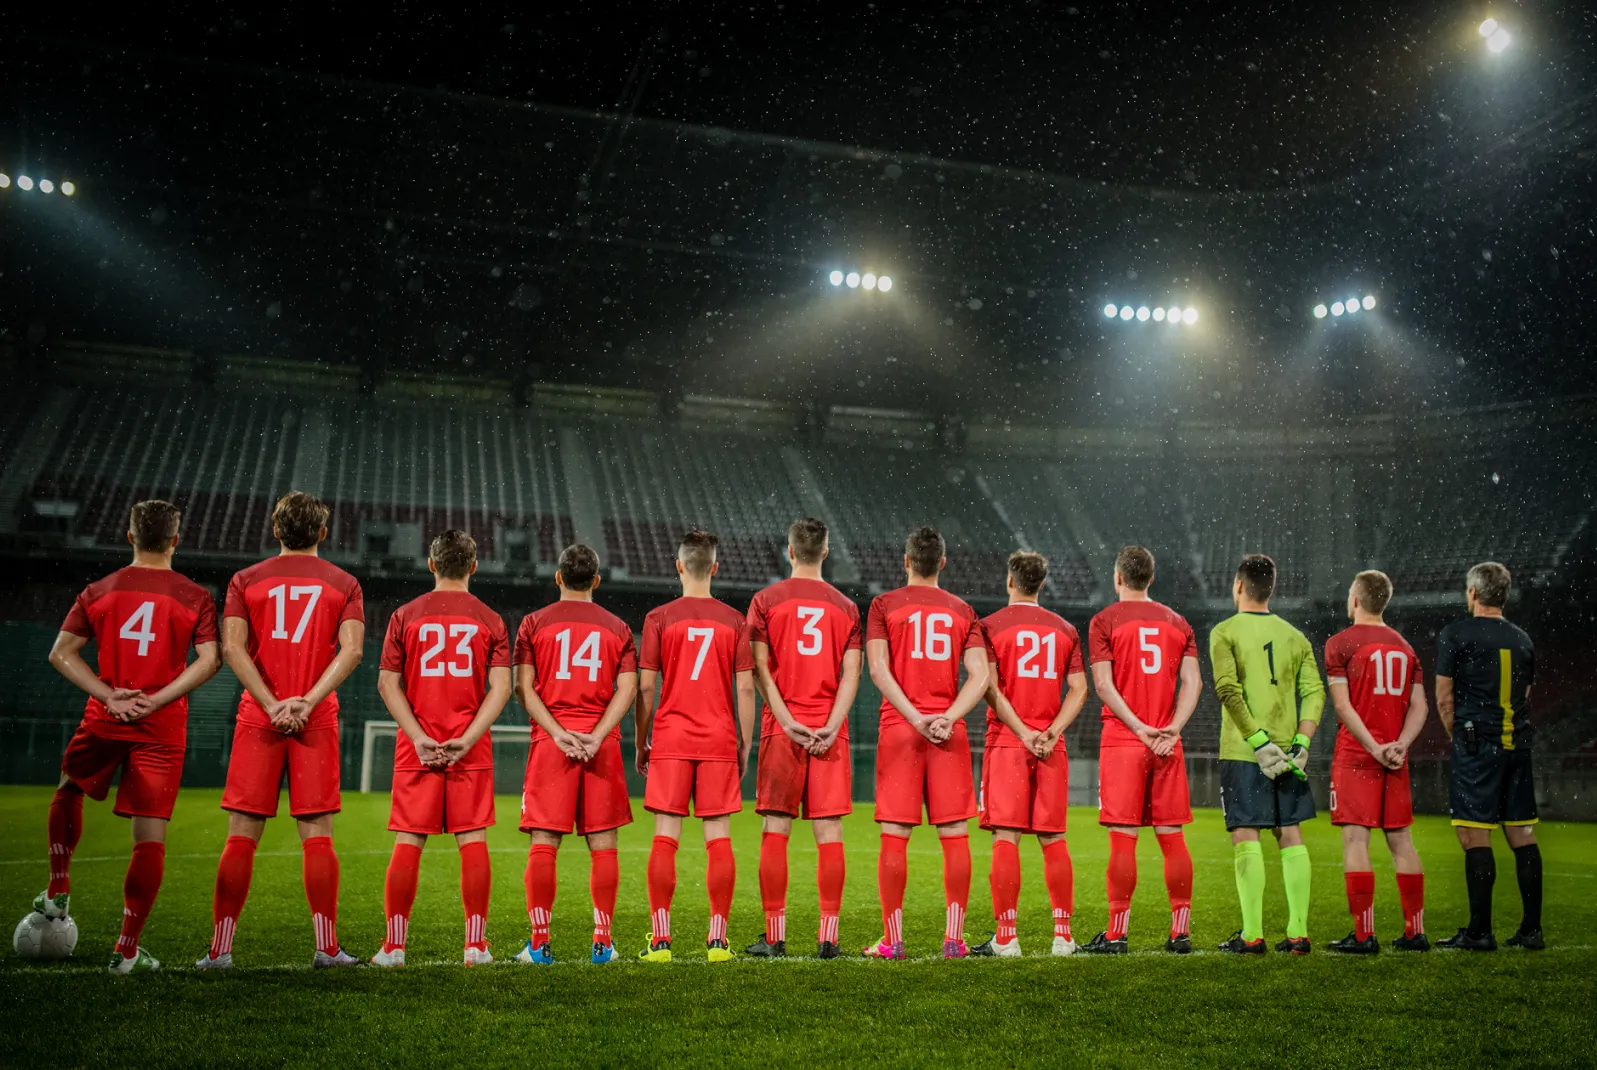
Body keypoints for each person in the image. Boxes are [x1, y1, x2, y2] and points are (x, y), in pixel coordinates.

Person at [38, 500, 220, 974]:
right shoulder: (194, 595)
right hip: (160, 725)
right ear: (176, 540)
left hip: (105, 716)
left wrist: (109, 695)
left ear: (129, 536)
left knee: (69, 788)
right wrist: (156, 700)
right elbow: (210, 661)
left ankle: (58, 887)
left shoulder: (99, 589)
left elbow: (61, 654)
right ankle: (126, 949)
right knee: (149, 839)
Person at [197, 491, 365, 969]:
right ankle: (327, 948)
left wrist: (271, 703)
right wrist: (307, 701)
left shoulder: (245, 580)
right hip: (316, 717)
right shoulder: (345, 583)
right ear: (323, 533)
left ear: (275, 531)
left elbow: (232, 649)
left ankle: (220, 950)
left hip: (258, 716)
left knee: (241, 836)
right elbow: (351, 652)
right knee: (317, 834)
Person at [371, 530, 511, 968]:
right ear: (473, 567)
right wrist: (467, 738)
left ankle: (394, 948)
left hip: (420, 744)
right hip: (468, 744)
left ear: (431, 565)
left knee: (409, 840)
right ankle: (475, 946)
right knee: (472, 840)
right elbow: (502, 687)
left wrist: (417, 736)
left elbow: (386, 683)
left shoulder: (405, 615)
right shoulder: (490, 618)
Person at [864, 525, 990, 960]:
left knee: (895, 834)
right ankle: (954, 940)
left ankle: (893, 941)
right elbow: (980, 675)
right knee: (954, 834)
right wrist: (948, 717)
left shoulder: (884, 605)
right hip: (946, 732)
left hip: (901, 727)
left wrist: (915, 718)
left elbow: (879, 671)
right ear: (942, 562)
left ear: (905, 561)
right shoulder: (963, 610)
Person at [634, 529, 756, 963]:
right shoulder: (735, 620)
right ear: (715, 568)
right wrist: (744, 743)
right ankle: (718, 942)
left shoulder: (658, 618)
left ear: (679, 566)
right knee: (718, 838)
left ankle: (661, 942)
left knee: (666, 837)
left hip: (670, 738)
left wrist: (640, 740)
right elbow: (745, 689)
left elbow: (646, 688)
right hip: (719, 738)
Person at [515, 543, 639, 965]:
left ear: (558, 577)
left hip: (552, 743)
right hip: (600, 746)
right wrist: (598, 735)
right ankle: (602, 944)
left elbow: (523, 689)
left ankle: (540, 944)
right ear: (597, 581)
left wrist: (557, 733)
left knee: (544, 843)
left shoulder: (533, 623)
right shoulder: (619, 628)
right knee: (603, 846)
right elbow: (628, 689)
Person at [744, 518, 862, 959]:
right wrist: (832, 723)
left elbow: (760, 669)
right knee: (829, 831)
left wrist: (785, 718)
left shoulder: (765, 601)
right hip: (830, 728)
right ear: (826, 553)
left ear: (789, 551)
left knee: (776, 829)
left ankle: (775, 938)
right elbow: (853, 673)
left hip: (783, 727)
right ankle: (828, 938)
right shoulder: (847, 607)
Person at [1081, 545, 1202, 955]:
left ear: (1118, 578)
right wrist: (1172, 728)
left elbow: (1103, 685)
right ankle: (1180, 932)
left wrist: (1139, 728)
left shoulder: (1104, 621)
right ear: (1151, 578)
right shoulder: (1177, 622)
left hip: (1124, 740)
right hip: (1168, 743)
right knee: (1172, 836)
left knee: (1123, 838)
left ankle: (1117, 934)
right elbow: (1194, 683)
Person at [970, 551, 1088, 958]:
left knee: (1006, 838)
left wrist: (1023, 732)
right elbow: (1079, 689)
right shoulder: (1066, 629)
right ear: (1042, 583)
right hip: (1050, 745)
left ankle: (1006, 938)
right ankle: (1062, 937)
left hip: (1008, 741)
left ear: (1010, 581)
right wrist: (1051, 731)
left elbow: (986, 686)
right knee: (1053, 838)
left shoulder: (987, 627)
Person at [1210, 553, 1325, 955]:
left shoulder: (1224, 631)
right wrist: (1302, 744)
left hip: (1245, 751)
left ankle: (1252, 935)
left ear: (1239, 586)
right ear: (1270, 589)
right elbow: (1314, 692)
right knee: (1290, 834)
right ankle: (1298, 934)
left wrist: (1258, 742)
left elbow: (1228, 690)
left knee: (1246, 833)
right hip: (1289, 752)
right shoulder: (1296, 636)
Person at [1435, 561, 1542, 952]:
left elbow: (1445, 698)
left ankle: (1480, 932)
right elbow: (1525, 697)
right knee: (1523, 834)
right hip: (1518, 744)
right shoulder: (1523, 639)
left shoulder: (1456, 634)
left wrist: (1460, 738)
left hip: (1477, 744)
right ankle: (1532, 930)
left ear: (1474, 593)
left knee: (1473, 835)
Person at [1324, 570, 1430, 954]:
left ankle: (1365, 935)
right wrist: (1399, 744)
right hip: (1395, 757)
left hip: (1358, 754)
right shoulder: (1405, 647)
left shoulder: (1340, 643)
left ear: (1355, 599)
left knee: (1356, 840)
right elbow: (1420, 706)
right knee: (1402, 842)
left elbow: (1342, 705)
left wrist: (1372, 747)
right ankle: (1414, 932)